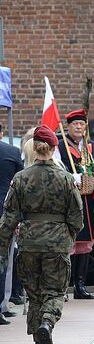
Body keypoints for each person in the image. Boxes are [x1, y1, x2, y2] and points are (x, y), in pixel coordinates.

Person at [0, 126, 82, 344]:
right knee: (54, 292)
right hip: (56, 243)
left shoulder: (21, 178)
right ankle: (47, 322)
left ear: (34, 148)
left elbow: (9, 218)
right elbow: (76, 217)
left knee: (34, 295)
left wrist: (3, 247)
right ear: (54, 148)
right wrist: (68, 237)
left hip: (28, 243)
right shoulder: (65, 178)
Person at [54, 108, 94, 300]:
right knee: (69, 243)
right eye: (75, 124)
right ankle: (63, 286)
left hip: (88, 200)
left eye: (82, 124)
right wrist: (77, 178)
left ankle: (80, 285)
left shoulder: (93, 146)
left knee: (86, 242)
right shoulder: (60, 146)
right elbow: (59, 171)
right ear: (68, 127)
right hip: (69, 200)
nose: (78, 127)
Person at [0, 127, 24, 324]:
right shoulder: (11, 152)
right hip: (5, 212)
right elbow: (19, 186)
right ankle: (2, 304)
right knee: (5, 261)